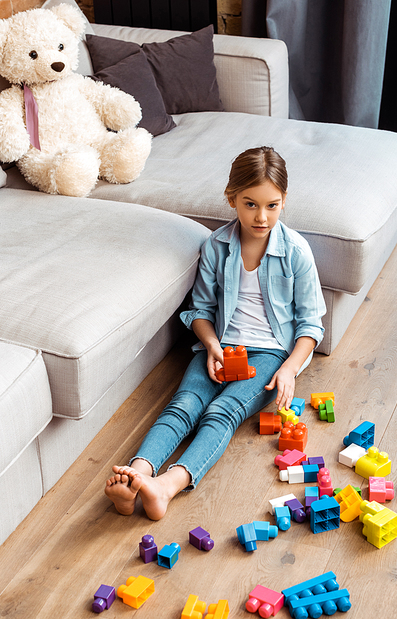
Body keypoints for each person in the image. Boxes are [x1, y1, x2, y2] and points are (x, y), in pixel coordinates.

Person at [105, 146, 326, 520]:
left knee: (222, 412)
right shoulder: (216, 247)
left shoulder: (296, 252)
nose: (261, 216)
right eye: (250, 204)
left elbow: (310, 325)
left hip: (269, 354)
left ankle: (167, 486)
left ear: (284, 201)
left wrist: (288, 369)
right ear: (231, 199)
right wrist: (209, 346)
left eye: (272, 205)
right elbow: (201, 311)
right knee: (184, 404)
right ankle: (136, 476)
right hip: (220, 345)